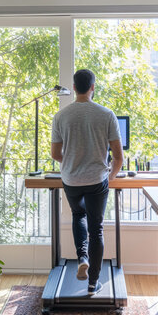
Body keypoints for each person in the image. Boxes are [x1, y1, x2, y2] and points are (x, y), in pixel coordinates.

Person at [50, 69, 123, 295]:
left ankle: (82, 257)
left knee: (78, 215)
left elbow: (55, 153)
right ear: (93, 87)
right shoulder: (106, 114)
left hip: (71, 179)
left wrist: (72, 161)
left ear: (73, 88)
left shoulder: (61, 116)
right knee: (96, 228)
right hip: (96, 180)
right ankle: (92, 284)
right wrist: (110, 176)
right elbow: (118, 157)